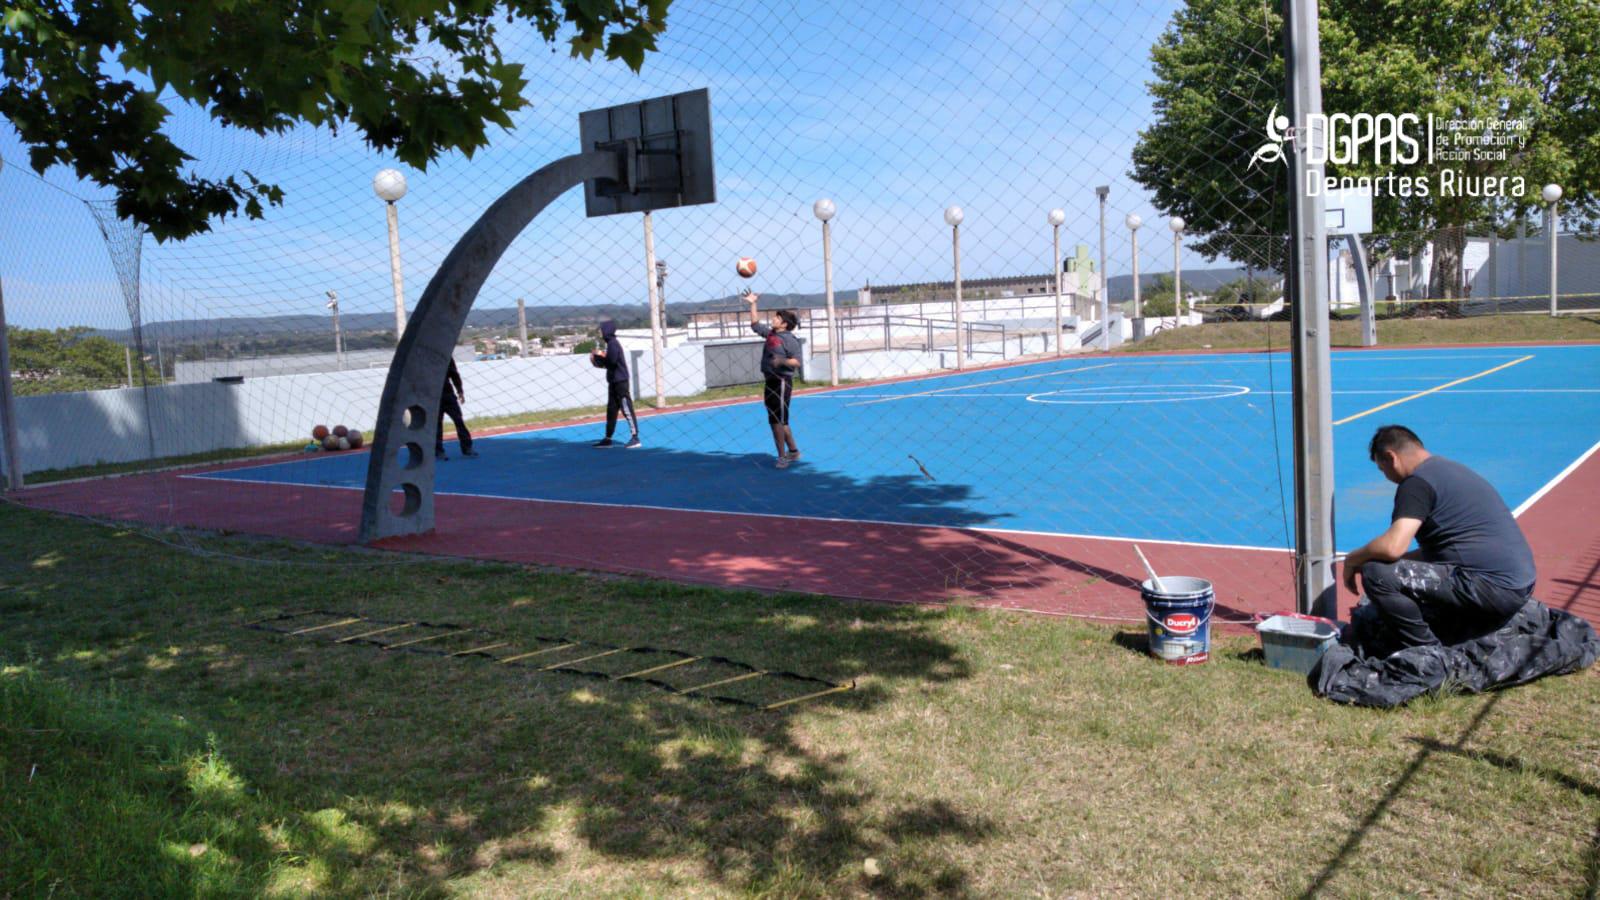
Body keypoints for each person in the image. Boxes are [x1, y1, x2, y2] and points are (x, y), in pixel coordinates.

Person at [1342, 424, 1536, 649]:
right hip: (1518, 585)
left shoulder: (1416, 483)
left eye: (1382, 469)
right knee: (1398, 572)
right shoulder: (1450, 470)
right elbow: (1438, 551)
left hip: (1491, 588)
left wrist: (1353, 559)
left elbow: (1392, 547)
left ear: (1391, 457)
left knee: (1377, 574)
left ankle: (1427, 652)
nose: (1386, 477)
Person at [746, 291, 802, 468]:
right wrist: (753, 303)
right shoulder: (771, 334)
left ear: (784, 324)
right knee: (778, 420)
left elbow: (797, 362)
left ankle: (782, 457)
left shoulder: (790, 340)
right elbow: (755, 324)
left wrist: (781, 361)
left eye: (777, 318)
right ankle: (793, 451)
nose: (773, 319)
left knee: (776, 421)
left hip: (782, 382)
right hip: (770, 381)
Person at [589, 319, 641, 448]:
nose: (600, 332)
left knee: (626, 408)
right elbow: (609, 364)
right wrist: (598, 360)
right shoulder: (610, 344)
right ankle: (608, 438)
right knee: (611, 411)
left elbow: (611, 362)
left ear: (607, 331)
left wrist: (598, 357)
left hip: (620, 382)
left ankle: (635, 438)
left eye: (601, 330)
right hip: (613, 382)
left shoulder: (613, 344)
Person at [436, 358, 479, 460]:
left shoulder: (447, 357)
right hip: (433, 398)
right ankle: (439, 451)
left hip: (448, 395)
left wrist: (460, 391)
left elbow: (454, 375)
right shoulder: (424, 358)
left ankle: (467, 448)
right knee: (437, 425)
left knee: (459, 420)